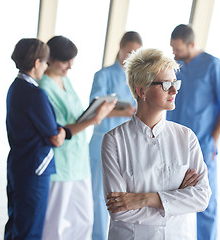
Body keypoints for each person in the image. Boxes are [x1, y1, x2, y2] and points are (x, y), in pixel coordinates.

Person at [101, 48, 212, 240]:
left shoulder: (186, 137)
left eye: (175, 83)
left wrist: (146, 199)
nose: (174, 90)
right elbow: (119, 211)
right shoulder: (114, 141)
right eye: (166, 84)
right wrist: (177, 201)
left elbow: (201, 197)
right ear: (141, 90)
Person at [39, 36, 116, 240]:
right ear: (50, 59)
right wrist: (94, 119)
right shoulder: (44, 89)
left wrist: (94, 112)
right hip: (61, 164)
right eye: (65, 61)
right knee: (54, 224)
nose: (70, 66)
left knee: (85, 219)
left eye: (72, 61)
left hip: (78, 163)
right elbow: (59, 130)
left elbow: (75, 116)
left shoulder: (65, 80)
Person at [167, 24, 220, 240]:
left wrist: (214, 138)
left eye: (177, 49)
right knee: (174, 196)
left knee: (206, 200)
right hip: (175, 142)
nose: (174, 53)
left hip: (203, 144)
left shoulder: (212, 65)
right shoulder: (176, 66)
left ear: (192, 44)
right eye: (172, 49)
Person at [5, 38, 69, 239]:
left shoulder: (14, 88)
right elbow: (52, 133)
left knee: (16, 223)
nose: (46, 66)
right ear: (36, 63)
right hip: (35, 168)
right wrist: (60, 132)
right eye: (45, 62)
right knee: (31, 228)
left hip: (18, 164)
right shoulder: (35, 94)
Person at [89, 31, 142, 240]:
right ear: (120, 47)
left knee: (125, 198)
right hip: (101, 142)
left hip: (128, 145)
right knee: (99, 197)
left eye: (136, 53)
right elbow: (95, 110)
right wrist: (124, 111)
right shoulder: (103, 75)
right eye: (129, 51)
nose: (131, 56)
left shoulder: (137, 78)